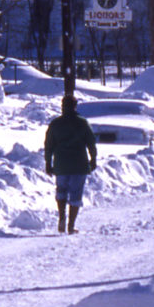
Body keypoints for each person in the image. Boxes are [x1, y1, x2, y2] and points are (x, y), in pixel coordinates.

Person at [44, 94, 97, 234]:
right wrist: (93, 159)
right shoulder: (82, 123)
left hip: (61, 164)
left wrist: (48, 163)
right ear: (75, 106)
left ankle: (61, 217)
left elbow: (48, 145)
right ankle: (71, 225)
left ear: (62, 107)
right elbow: (91, 143)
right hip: (79, 164)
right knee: (75, 194)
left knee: (61, 191)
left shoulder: (55, 124)